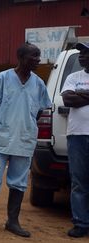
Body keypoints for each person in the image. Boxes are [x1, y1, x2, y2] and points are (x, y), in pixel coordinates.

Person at [0, 43, 51, 237]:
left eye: (39, 56)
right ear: (21, 57)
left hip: (24, 141)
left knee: (19, 182)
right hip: (0, 139)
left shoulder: (38, 83)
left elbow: (41, 109)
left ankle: (12, 222)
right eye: (34, 56)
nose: (38, 60)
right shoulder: (3, 78)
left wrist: (25, 125)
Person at [61, 42, 89, 238]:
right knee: (79, 181)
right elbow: (68, 100)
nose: (82, 56)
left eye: (86, 53)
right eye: (81, 53)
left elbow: (75, 97)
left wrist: (81, 95)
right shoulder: (73, 77)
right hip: (77, 135)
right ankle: (81, 223)